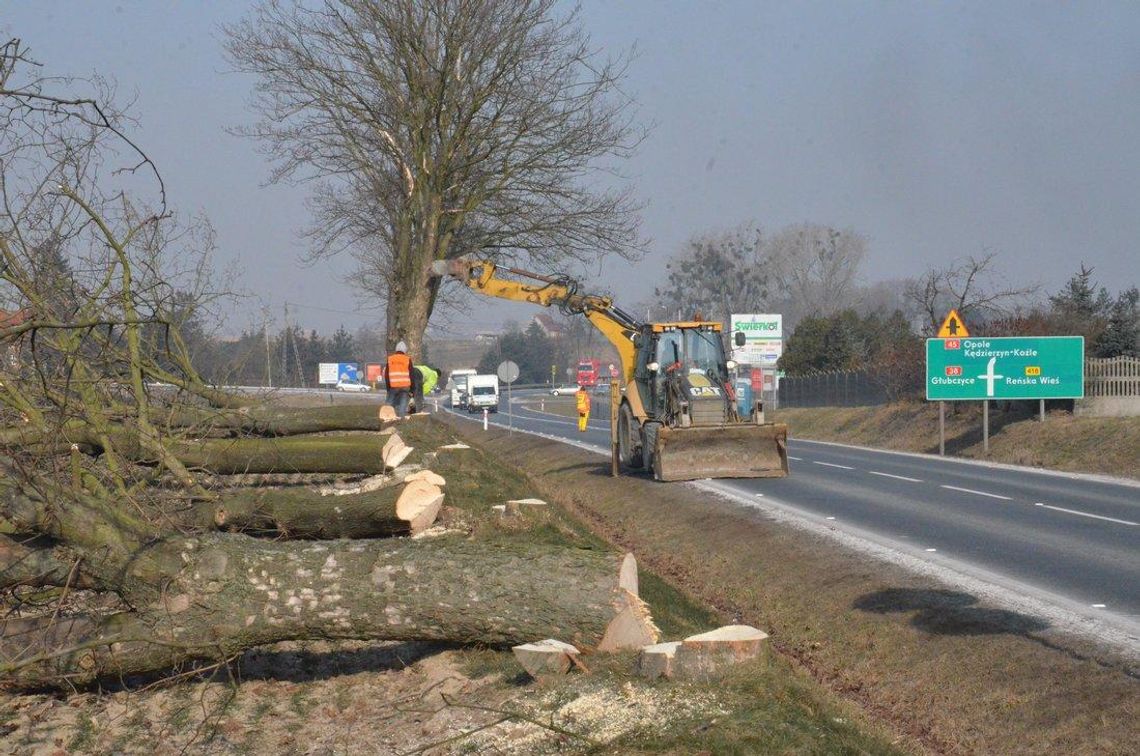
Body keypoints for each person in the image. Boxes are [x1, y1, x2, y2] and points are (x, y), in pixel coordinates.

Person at [384, 341, 413, 418]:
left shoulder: (390, 359)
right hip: (405, 386)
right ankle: (401, 420)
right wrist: (412, 389)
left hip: (393, 386)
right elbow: (411, 375)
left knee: (389, 404)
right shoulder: (407, 359)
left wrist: (388, 388)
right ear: (405, 350)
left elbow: (386, 375)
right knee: (403, 405)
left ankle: (386, 418)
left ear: (396, 349)